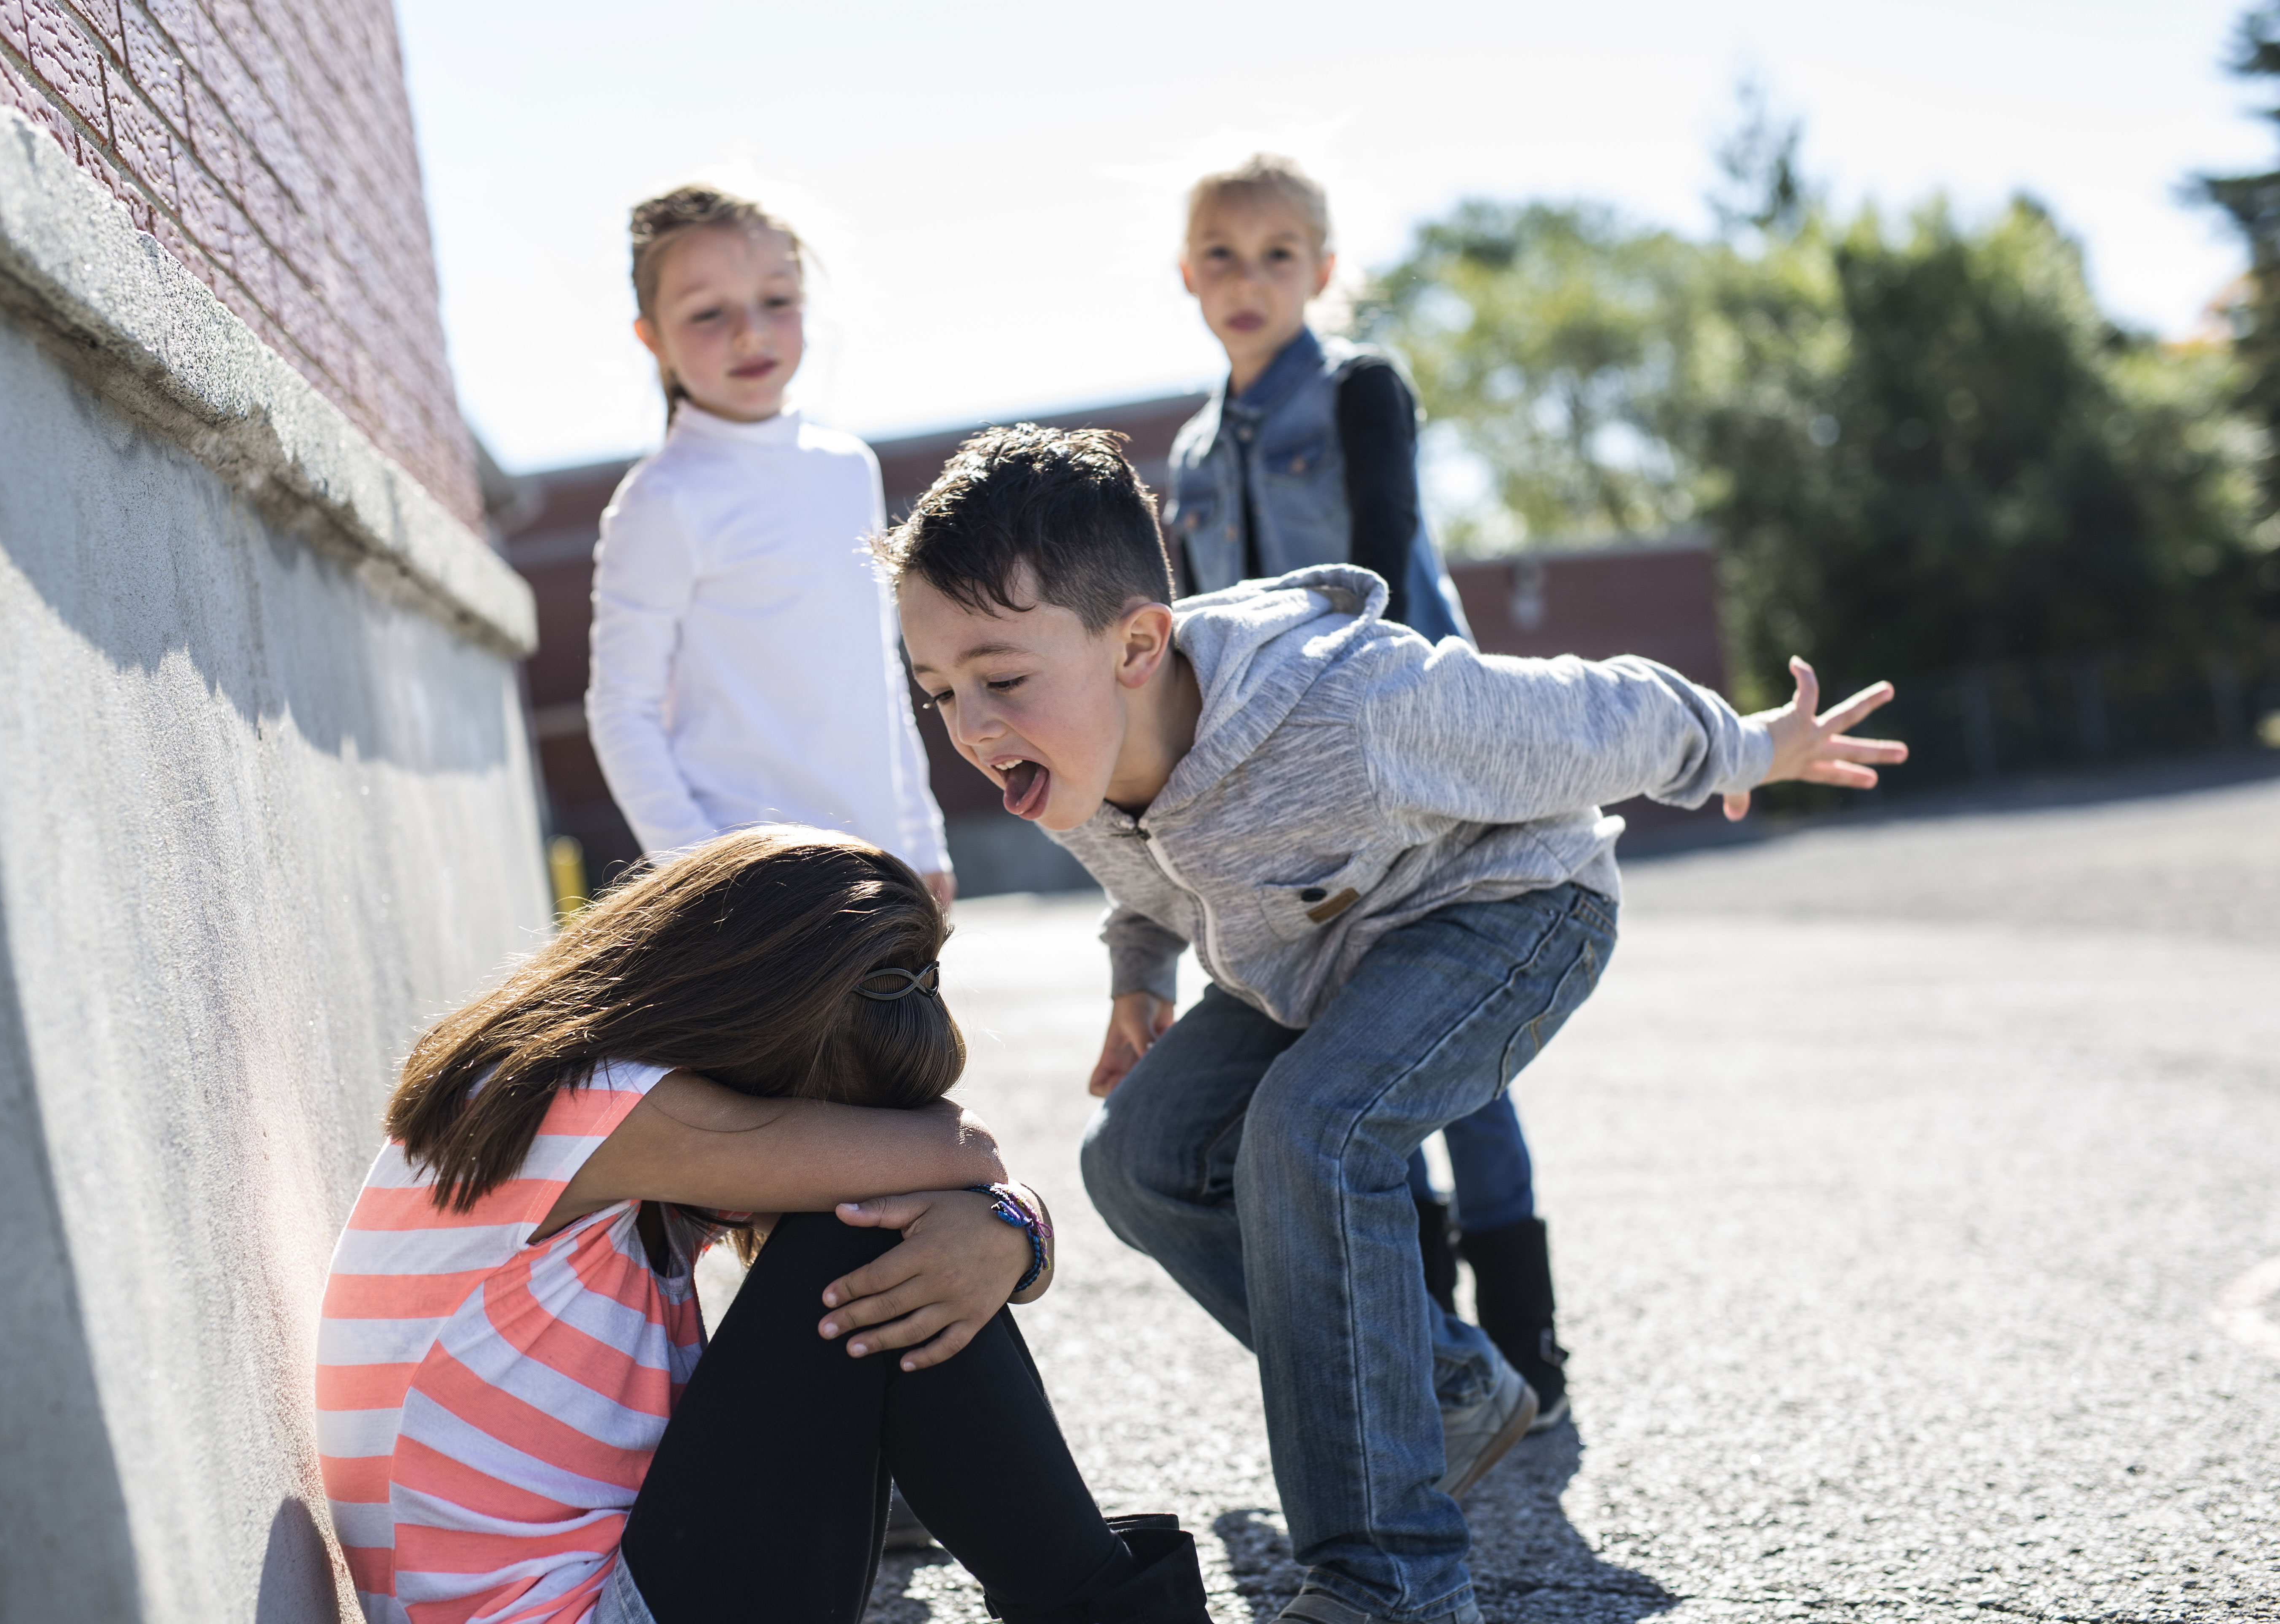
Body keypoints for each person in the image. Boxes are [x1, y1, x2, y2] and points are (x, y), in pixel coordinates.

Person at [879, 427, 1903, 1624]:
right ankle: (1446, 1389)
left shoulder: (1353, 706)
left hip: (1511, 910)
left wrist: (1747, 745)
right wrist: (1138, 978)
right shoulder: (1064, 749)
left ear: (1137, 646)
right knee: (1138, 1163)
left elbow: (1592, 713)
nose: (972, 725)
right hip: (1320, 960)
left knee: (1312, 1132)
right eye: (938, 691)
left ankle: (1396, 1579)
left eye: (999, 678)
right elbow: (1146, 880)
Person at [315, 827, 1212, 1624]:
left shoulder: (577, 1111)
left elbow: (969, 1179)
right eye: (830, 1118)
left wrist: (1013, 1231)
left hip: (609, 1588)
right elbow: (965, 1150)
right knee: (866, 1234)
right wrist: (1002, 1216)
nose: (838, 1149)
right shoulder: (588, 1107)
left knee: (893, 1235)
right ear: (754, 1030)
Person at [1164, 154, 1560, 1423]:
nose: (1249, 278)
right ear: (1187, 274)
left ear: (1324, 272)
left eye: (1280, 253)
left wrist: (1390, 726)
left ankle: (1528, 1345)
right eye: (1222, 254)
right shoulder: (1188, 450)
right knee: (1352, 1050)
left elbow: (1384, 557)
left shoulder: (1358, 392)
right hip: (1285, 796)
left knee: (1459, 1061)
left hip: (1416, 759)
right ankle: (1440, 1356)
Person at [585, 185, 954, 909]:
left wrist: (922, 839)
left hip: (881, 870)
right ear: (651, 337)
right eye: (707, 313)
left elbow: (878, 673)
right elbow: (620, 708)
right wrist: (705, 873)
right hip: (756, 895)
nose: (750, 333)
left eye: (776, 300)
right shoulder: (662, 500)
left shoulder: (849, 467)